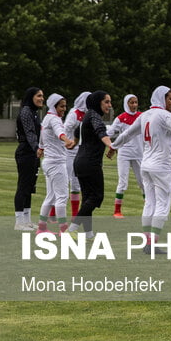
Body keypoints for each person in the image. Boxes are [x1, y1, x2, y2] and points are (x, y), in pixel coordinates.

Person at [111, 86, 171, 253]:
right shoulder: (164, 115)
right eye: (170, 98)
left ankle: (147, 242)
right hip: (161, 166)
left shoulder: (144, 115)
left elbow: (127, 134)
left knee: (150, 203)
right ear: (161, 98)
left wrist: (114, 146)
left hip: (146, 165)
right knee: (162, 205)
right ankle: (152, 244)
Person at [66, 91, 115, 237]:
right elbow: (101, 132)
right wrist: (111, 146)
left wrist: (74, 142)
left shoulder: (88, 115)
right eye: (106, 102)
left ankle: (89, 234)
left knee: (87, 198)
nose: (109, 105)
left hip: (80, 162)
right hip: (90, 163)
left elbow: (77, 130)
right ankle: (72, 228)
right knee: (96, 197)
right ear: (97, 102)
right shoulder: (94, 116)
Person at [36, 93, 76, 233]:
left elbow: (42, 137)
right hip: (57, 163)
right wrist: (67, 140)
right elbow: (60, 132)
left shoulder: (47, 118)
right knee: (62, 197)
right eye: (61, 106)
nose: (64, 109)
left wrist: (41, 148)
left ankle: (41, 227)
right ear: (54, 106)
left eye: (65, 106)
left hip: (48, 162)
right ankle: (63, 230)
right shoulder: (55, 119)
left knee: (51, 196)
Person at [106, 94, 143, 219]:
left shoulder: (142, 117)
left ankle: (148, 210)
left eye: (135, 102)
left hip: (139, 153)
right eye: (131, 103)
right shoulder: (121, 118)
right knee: (122, 182)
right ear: (126, 104)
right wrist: (111, 146)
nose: (134, 105)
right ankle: (117, 211)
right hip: (124, 153)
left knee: (143, 182)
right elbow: (110, 133)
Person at [13, 87, 44, 230]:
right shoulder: (26, 112)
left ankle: (27, 220)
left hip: (33, 152)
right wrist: (37, 148)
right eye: (39, 96)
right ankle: (19, 222)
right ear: (31, 97)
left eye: (42, 96)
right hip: (26, 152)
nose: (41, 98)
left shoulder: (34, 113)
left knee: (30, 187)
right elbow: (30, 133)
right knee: (23, 186)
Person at [62, 90, 91, 218]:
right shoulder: (74, 113)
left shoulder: (88, 114)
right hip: (69, 152)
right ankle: (53, 213)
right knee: (66, 181)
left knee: (76, 183)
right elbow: (66, 128)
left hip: (80, 152)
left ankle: (75, 214)